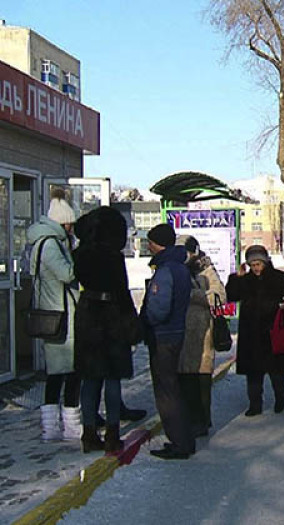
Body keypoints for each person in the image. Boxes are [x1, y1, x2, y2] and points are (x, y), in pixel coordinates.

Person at [72, 206, 141, 453]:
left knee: (90, 379)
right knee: (113, 377)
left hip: (87, 312)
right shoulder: (113, 257)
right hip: (111, 316)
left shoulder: (80, 254)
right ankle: (112, 433)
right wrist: (132, 321)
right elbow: (121, 291)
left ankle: (88, 433)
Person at [27, 190, 81, 442]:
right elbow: (66, 274)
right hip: (61, 316)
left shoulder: (44, 241)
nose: (72, 228)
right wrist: (78, 260)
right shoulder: (51, 244)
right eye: (69, 223)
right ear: (62, 222)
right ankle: (68, 426)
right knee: (67, 372)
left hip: (54, 313)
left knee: (58, 372)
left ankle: (53, 426)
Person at [140, 224, 195, 459]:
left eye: (150, 242)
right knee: (173, 387)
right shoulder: (180, 266)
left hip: (163, 335)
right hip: (176, 332)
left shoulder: (165, 270)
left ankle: (179, 441)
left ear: (158, 243)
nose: (148, 246)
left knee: (166, 390)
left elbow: (158, 308)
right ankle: (184, 437)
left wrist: (146, 322)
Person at [225, 245, 284, 416]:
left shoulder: (279, 278)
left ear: (265, 262)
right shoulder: (245, 280)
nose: (256, 268)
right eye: (252, 264)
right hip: (251, 333)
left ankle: (280, 397)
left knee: (276, 371)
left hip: (273, 331)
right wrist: (236, 279)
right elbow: (231, 296)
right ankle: (255, 404)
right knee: (253, 373)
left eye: (258, 264)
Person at [176, 236, 226, 437]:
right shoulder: (175, 269)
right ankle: (187, 419)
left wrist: (192, 295)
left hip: (202, 331)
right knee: (183, 379)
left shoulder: (206, 269)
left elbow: (219, 295)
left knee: (201, 380)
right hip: (180, 332)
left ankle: (202, 420)